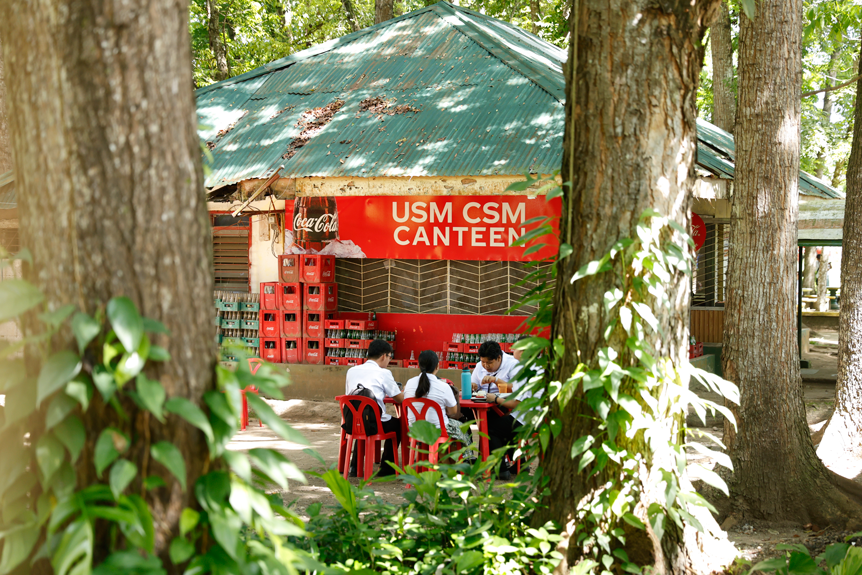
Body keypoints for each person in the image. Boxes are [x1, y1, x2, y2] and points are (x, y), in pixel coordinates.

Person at [485, 336, 542, 479]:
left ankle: (501, 469)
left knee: (490, 428)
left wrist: (495, 399)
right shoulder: (538, 367)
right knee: (504, 424)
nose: (512, 350)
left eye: (515, 348)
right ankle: (520, 465)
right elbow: (515, 389)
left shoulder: (523, 369)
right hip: (540, 416)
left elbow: (517, 402)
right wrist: (496, 380)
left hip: (526, 418)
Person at [403, 350, 475, 461]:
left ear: (419, 365)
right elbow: (453, 412)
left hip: (415, 430)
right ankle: (465, 460)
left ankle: (439, 461)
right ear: (437, 366)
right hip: (438, 431)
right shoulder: (443, 386)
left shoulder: (409, 383)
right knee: (462, 428)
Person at [344, 339, 403, 476]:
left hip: (351, 421)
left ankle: (355, 467)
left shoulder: (351, 371)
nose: (389, 361)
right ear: (383, 356)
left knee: (362, 419)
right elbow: (399, 398)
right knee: (398, 425)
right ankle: (386, 468)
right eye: (389, 357)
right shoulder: (383, 373)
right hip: (374, 423)